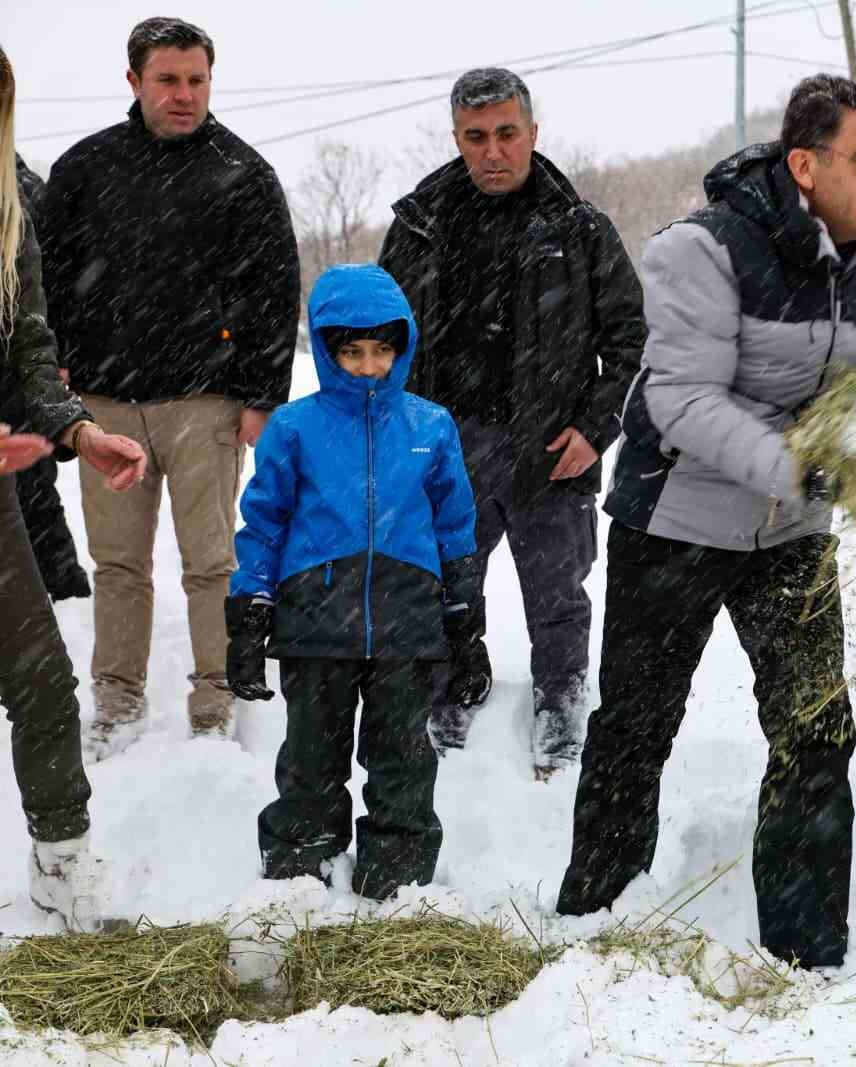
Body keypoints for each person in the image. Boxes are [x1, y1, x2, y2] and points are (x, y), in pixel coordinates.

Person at [557, 74, 856, 970]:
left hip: (792, 534)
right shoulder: (703, 249)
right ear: (805, 164)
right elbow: (682, 399)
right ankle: (592, 925)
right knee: (638, 727)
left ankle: (804, 952)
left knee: (816, 730)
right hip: (675, 520)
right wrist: (805, 465)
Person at [37, 17, 299, 755]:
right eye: (168, 80)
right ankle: (116, 699)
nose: (185, 95)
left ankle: (215, 700)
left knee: (211, 563)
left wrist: (260, 396)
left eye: (197, 80)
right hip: (106, 402)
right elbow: (50, 279)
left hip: (205, 402)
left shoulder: (243, 172)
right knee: (118, 564)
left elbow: (275, 291)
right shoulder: (85, 169)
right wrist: (58, 372)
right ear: (134, 81)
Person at [380, 68, 644, 771]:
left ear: (532, 132)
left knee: (559, 589)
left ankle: (561, 697)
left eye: (506, 133)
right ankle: (454, 683)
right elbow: (377, 342)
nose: (492, 151)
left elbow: (629, 340)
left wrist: (594, 428)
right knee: (445, 580)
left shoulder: (581, 227)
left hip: (551, 444)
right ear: (456, 138)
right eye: (476, 137)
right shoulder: (417, 225)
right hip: (446, 444)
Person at [225, 264, 478, 900]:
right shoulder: (293, 426)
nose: (369, 366)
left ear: (403, 346)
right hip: (315, 623)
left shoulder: (430, 426)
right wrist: (249, 614)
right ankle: (297, 881)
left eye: (383, 350)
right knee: (311, 761)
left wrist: (464, 617)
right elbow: (264, 523)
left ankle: (397, 880)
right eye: (353, 352)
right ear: (330, 350)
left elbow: (455, 525)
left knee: (402, 762)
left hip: (406, 622)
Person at [0, 46, 148, 930]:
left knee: (43, 679)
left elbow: (26, 344)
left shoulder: (12, 201)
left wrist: (76, 428)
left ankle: (62, 863)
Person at [8, 155, 89, 601]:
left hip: (23, 374)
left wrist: (61, 356)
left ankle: (56, 588)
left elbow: (59, 281)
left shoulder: (26, 192)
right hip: (25, 369)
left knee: (32, 492)